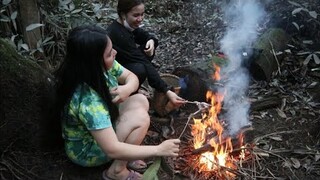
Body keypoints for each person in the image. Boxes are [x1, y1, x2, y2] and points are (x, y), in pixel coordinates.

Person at [54, 25, 180, 180]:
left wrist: (127, 88)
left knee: (140, 100)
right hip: (88, 152)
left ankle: (127, 154)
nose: (115, 53)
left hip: (102, 127)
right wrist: (158, 149)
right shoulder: (89, 101)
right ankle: (117, 172)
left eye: (112, 48)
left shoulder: (100, 67)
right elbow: (112, 149)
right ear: (94, 62)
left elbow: (131, 77)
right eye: (109, 53)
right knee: (140, 119)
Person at [106, 0, 185, 111]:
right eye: (136, 15)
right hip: (114, 75)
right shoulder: (118, 33)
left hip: (126, 62)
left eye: (142, 14)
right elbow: (142, 60)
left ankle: (135, 89)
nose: (140, 19)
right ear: (123, 14)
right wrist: (166, 90)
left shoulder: (126, 26)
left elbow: (145, 35)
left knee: (147, 48)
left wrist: (151, 40)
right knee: (140, 69)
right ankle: (127, 96)